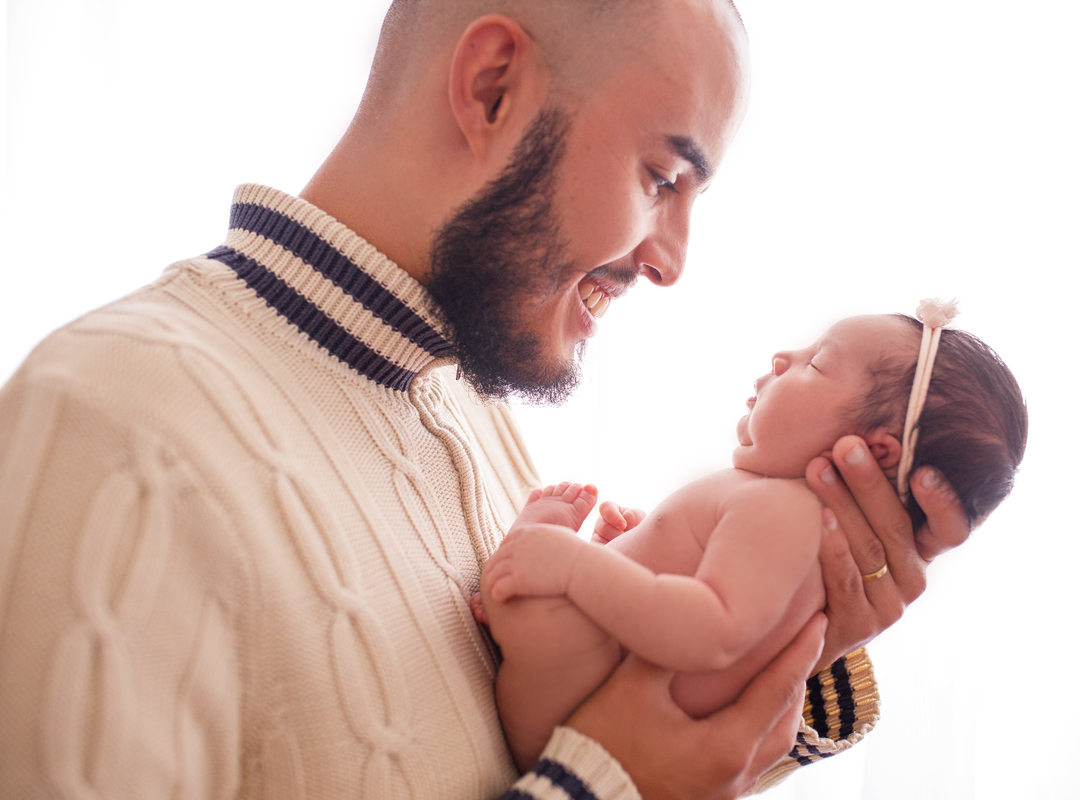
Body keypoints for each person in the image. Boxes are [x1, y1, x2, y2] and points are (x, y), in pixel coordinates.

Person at [0, 2, 970, 798]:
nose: (671, 260)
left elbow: (586, 748)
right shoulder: (112, 430)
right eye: (661, 178)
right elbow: (597, 774)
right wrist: (602, 788)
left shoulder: (471, 412)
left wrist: (793, 634)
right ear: (492, 87)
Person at [480, 307, 1028, 770]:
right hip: (599, 715)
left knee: (557, 601)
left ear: (873, 450)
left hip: (579, 709)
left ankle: (516, 587)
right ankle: (521, 593)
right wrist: (628, 556)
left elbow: (712, 632)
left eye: (817, 363)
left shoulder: (786, 511)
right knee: (564, 598)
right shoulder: (788, 521)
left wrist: (578, 567)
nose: (783, 357)